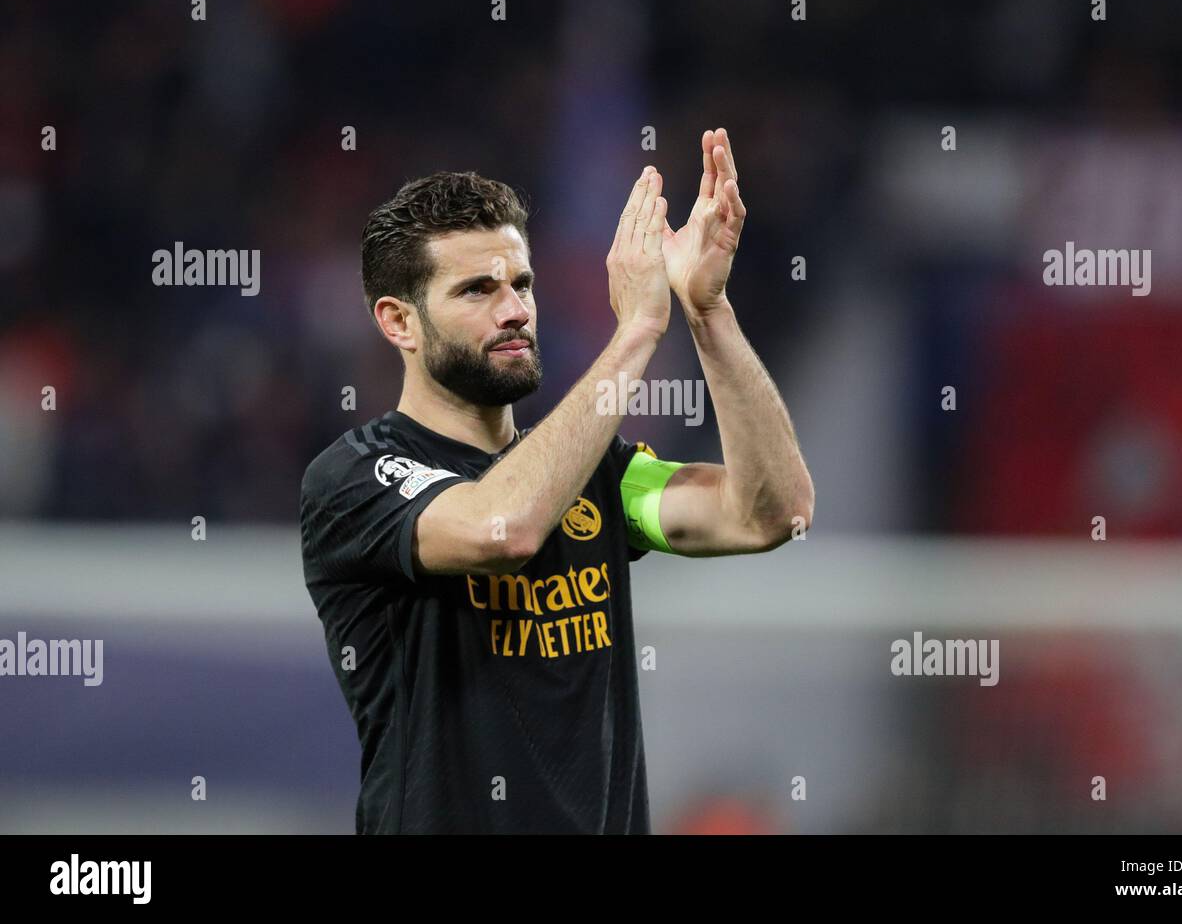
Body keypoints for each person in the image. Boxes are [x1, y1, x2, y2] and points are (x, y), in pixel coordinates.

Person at [299, 128, 814, 833]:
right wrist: (635, 331)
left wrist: (706, 312)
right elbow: (502, 527)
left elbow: (770, 513)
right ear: (399, 322)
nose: (514, 310)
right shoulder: (354, 478)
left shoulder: (596, 472)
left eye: (521, 284)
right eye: (477, 289)